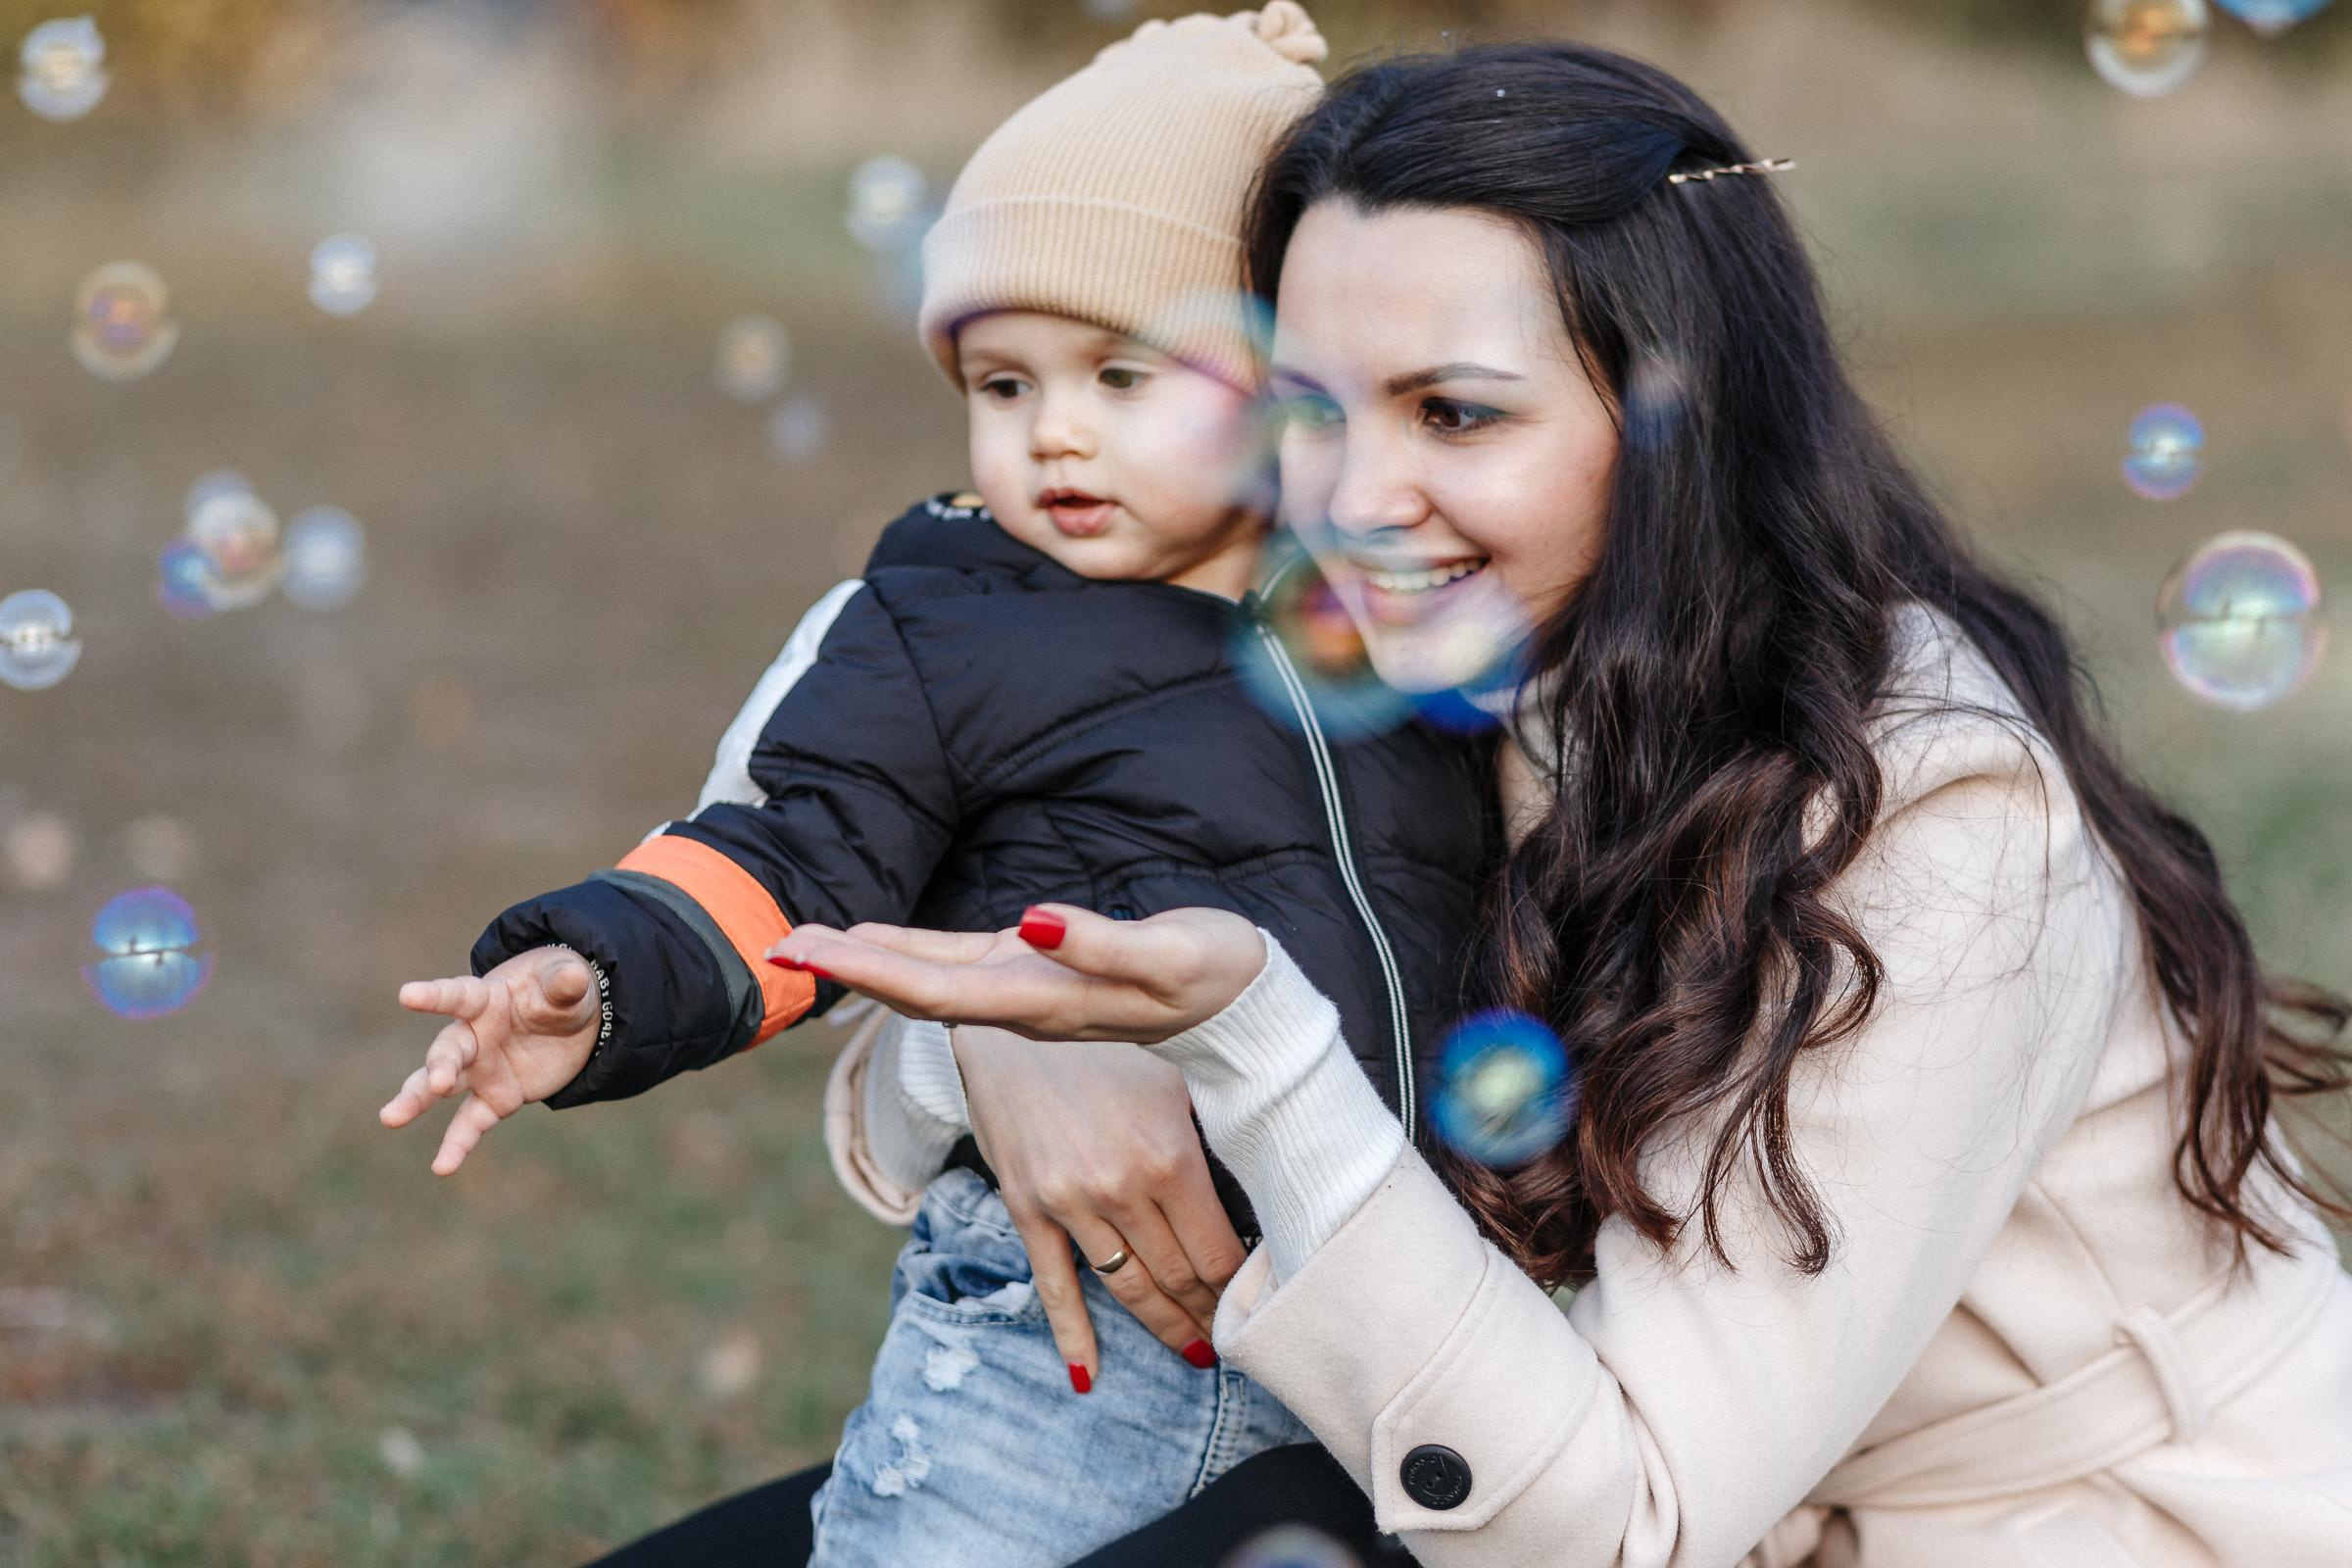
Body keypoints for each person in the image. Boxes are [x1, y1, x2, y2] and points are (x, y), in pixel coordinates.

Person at [776, 38, 2352, 1568]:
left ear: (1681, 423)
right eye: (1311, 413)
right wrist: (999, 1044)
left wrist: (1249, 1045)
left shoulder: (1929, 804)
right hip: (1519, 1449)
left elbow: (1621, 1530)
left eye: (1455, 413)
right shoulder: (1426, 659)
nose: (1356, 506)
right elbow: (905, 1079)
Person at [380, 9, 1503, 1566]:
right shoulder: (946, 624)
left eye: (1122, 374)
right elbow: (790, 851)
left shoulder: (1405, 615)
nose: (1054, 433)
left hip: (1383, 1332)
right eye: (1000, 381)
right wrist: (599, 973)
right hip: (1064, 1354)